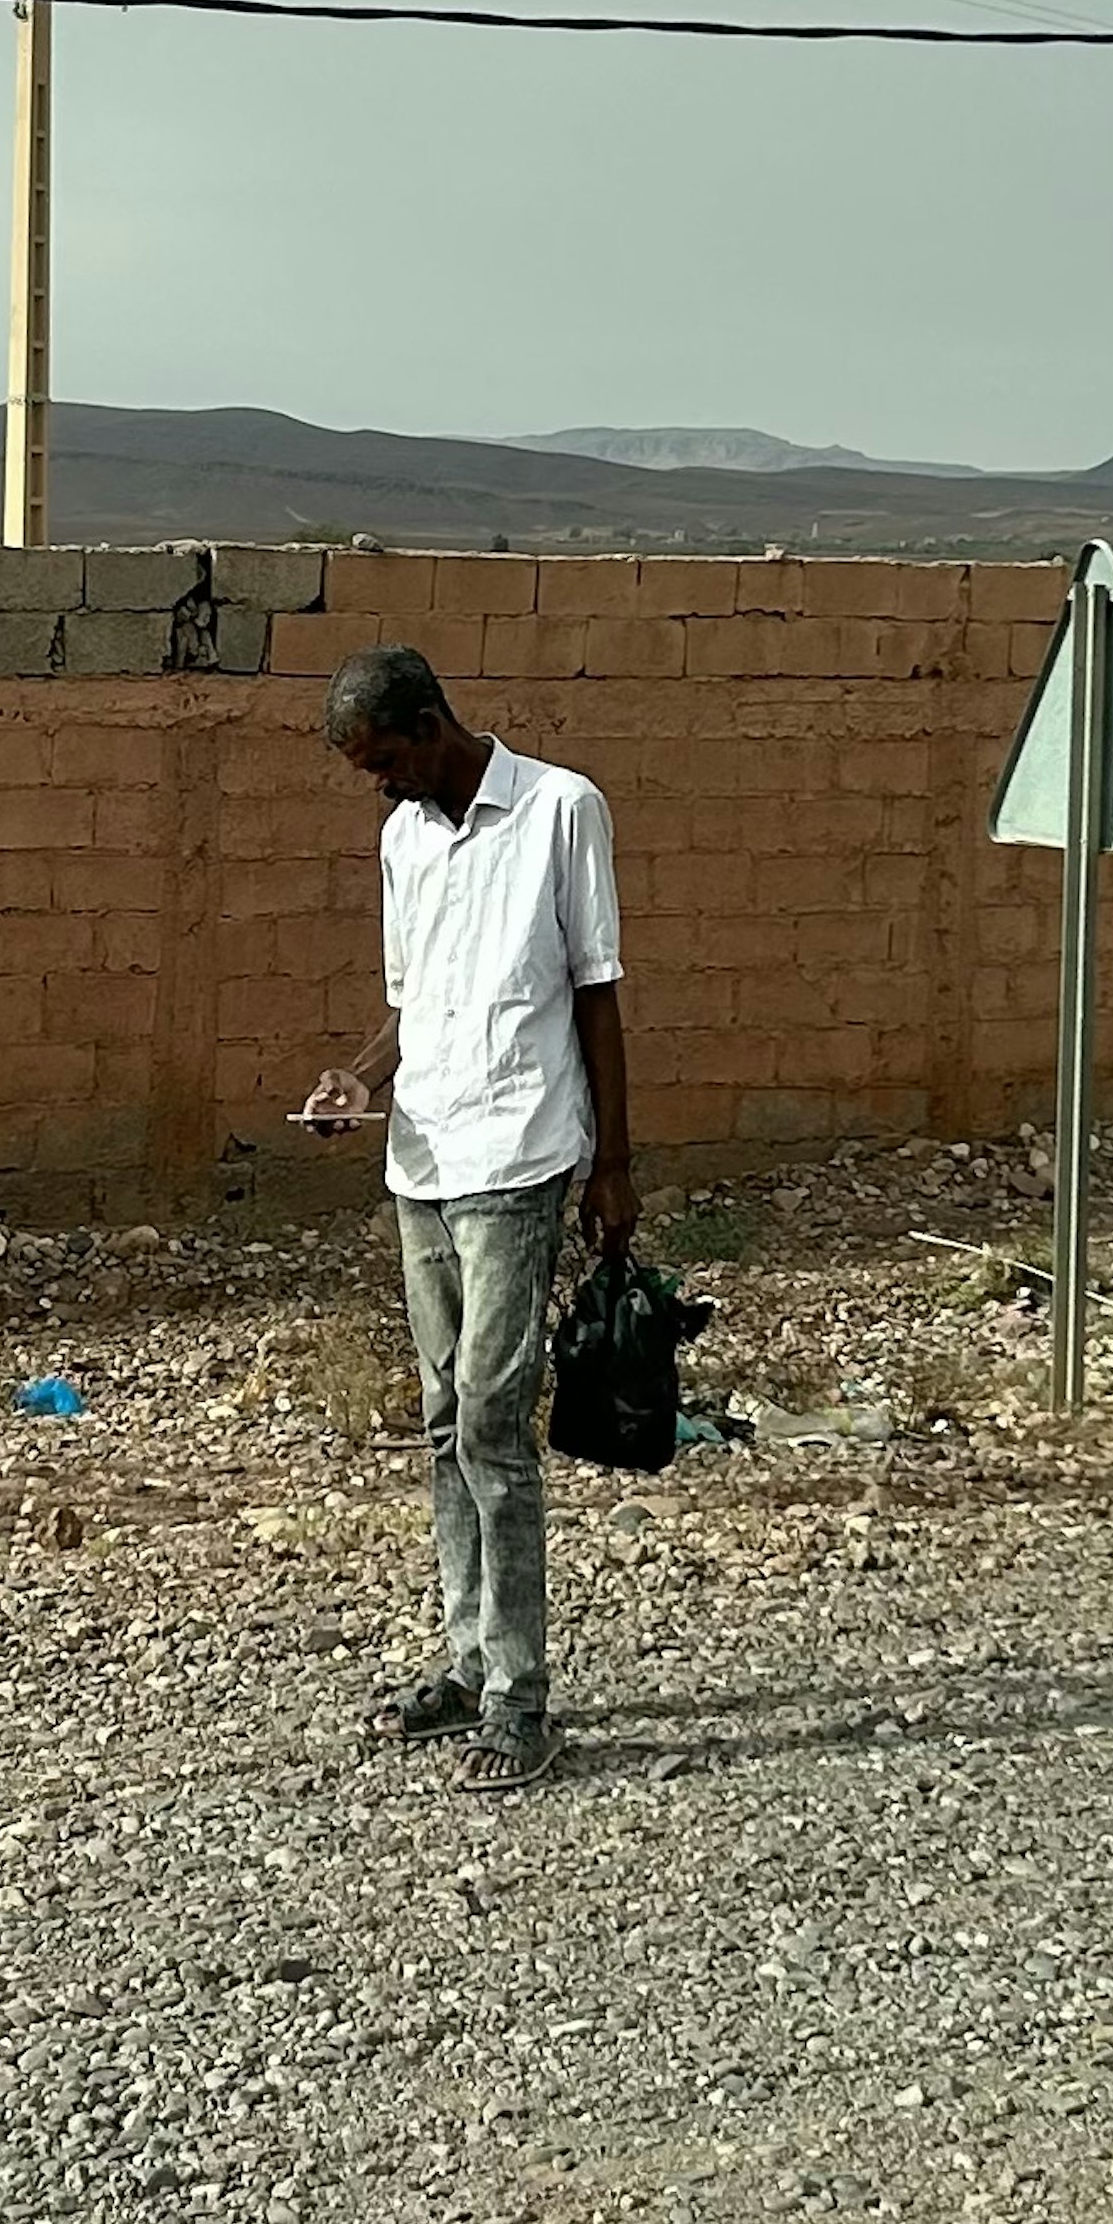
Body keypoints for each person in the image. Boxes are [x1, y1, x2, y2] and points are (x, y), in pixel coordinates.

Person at [297, 641, 633, 1787]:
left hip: (521, 1154)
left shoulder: (559, 809)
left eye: (386, 759)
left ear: (432, 723)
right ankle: (467, 1659)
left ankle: (522, 1697)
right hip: (422, 1161)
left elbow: (598, 995)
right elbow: (412, 1002)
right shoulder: (402, 838)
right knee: (444, 1419)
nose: (378, 784)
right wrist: (360, 1077)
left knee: (493, 1421)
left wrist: (616, 1165)